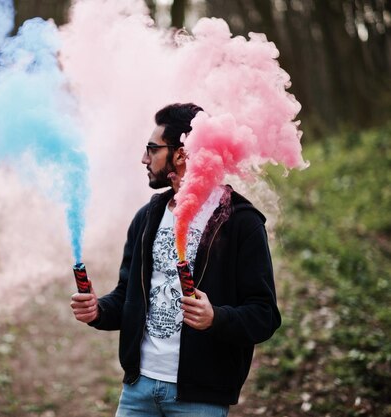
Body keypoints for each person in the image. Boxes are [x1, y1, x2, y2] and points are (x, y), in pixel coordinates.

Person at [70, 103, 281, 417]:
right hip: (137, 390)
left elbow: (264, 315)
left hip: (201, 399)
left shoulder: (240, 222)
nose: (145, 158)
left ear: (181, 155)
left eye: (152, 149)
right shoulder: (147, 218)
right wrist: (98, 310)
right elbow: (128, 295)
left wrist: (216, 317)